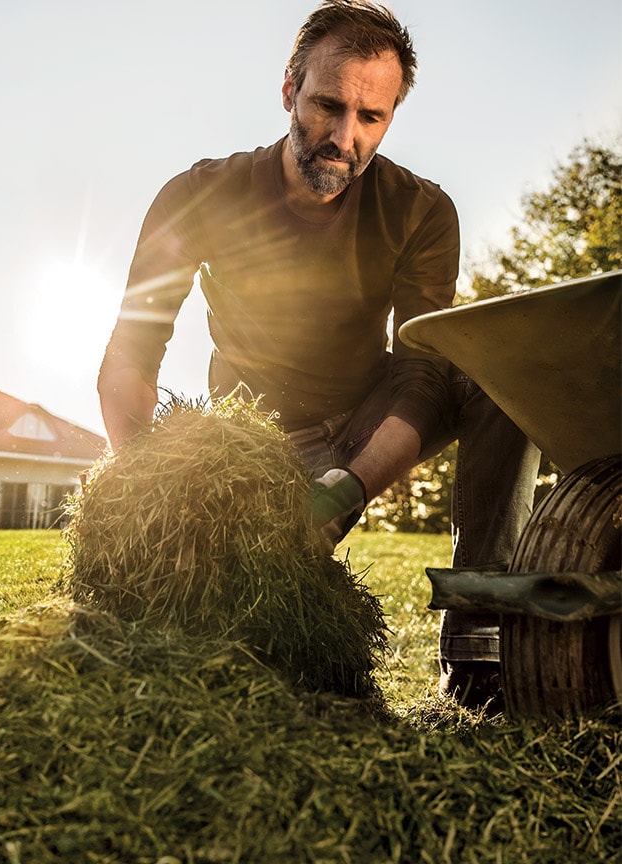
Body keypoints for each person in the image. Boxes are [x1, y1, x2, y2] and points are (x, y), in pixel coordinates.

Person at [97, 0, 540, 711]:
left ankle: (476, 651)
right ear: (288, 89)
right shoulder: (199, 194)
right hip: (264, 443)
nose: (343, 138)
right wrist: (141, 489)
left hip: (376, 420)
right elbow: (133, 350)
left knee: (500, 368)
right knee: (237, 647)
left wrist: (343, 493)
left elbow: (424, 368)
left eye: (372, 117)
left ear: (392, 115)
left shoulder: (423, 210)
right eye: (326, 106)